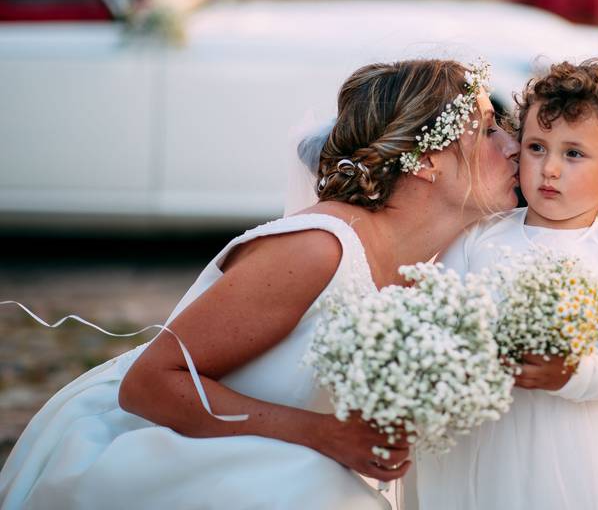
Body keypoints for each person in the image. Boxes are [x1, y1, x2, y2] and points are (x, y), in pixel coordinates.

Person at [0, 59, 520, 510]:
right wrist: (324, 437)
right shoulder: (318, 249)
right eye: (491, 130)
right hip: (153, 451)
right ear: (427, 162)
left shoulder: (436, 269)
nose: (515, 146)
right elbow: (148, 385)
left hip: (266, 452)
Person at [416, 60, 598, 509]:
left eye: (573, 154)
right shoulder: (477, 239)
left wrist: (577, 373)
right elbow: (438, 316)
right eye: (536, 148)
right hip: (486, 438)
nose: (549, 169)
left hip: (582, 442)